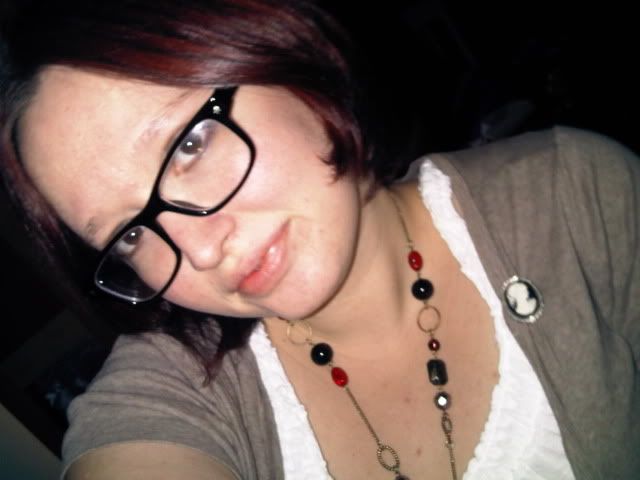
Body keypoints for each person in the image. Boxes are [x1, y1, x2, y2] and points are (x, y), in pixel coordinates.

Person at [1, 1, 638, 479]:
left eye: (188, 146)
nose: (197, 250)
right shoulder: (174, 393)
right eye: (129, 234)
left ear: (282, 54)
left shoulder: (573, 197)